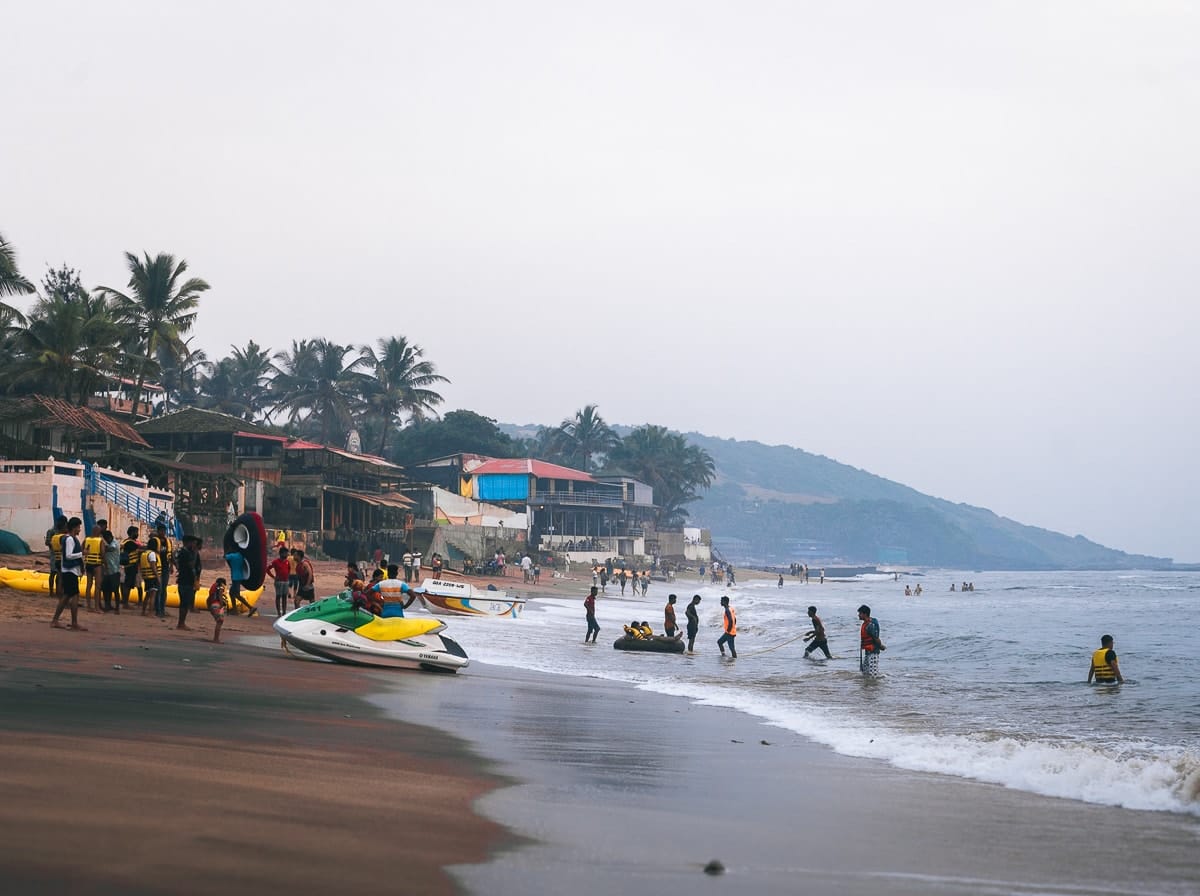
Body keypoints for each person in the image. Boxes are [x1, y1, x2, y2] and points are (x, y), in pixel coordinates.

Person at [50, 517, 86, 631]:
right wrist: (82, 554)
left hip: (71, 570)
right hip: (69, 571)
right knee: (71, 595)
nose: (79, 530)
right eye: (79, 527)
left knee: (69, 596)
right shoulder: (70, 539)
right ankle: (70, 622)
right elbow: (68, 555)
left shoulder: (70, 539)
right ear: (74, 527)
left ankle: (59, 620)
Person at [175, 534, 203, 630]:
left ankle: (181, 623)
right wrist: (195, 553)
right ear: (188, 542)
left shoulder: (187, 552)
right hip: (185, 580)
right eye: (192, 542)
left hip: (186, 580)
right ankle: (181, 623)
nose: (194, 544)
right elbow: (190, 565)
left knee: (185, 603)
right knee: (184, 603)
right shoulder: (185, 553)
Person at [224, 547, 256, 616]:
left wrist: (227, 551)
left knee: (236, 595)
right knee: (231, 593)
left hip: (235, 578)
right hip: (240, 576)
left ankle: (251, 607)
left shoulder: (232, 556)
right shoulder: (241, 556)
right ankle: (234, 610)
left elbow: (224, 557)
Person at [83, 521, 105, 611]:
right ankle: (96, 607)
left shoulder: (86, 539)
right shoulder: (100, 541)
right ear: (99, 532)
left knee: (88, 585)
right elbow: (103, 553)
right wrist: (105, 564)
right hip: (97, 565)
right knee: (98, 586)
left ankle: (88, 606)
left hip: (88, 564)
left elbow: (82, 549)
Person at [857, 604, 884, 676]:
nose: (858, 615)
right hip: (868, 652)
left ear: (865, 614)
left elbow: (876, 638)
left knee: (873, 674)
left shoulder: (871, 625)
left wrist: (881, 646)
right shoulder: (866, 624)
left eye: (860, 613)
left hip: (873, 652)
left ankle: (874, 686)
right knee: (865, 673)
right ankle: (867, 686)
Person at [100, 528, 121, 614]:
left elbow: (106, 548)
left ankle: (117, 608)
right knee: (106, 590)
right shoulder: (110, 543)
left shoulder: (114, 544)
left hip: (114, 570)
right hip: (107, 570)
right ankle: (108, 605)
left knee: (115, 590)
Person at [120, 526, 142, 609]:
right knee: (128, 585)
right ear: (132, 533)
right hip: (130, 566)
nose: (137, 534)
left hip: (129, 566)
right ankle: (125, 604)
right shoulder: (130, 543)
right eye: (136, 532)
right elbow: (140, 549)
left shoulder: (125, 542)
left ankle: (125, 602)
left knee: (127, 585)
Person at [46, 516, 67, 598]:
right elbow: (47, 542)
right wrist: (55, 546)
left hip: (60, 555)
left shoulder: (62, 532)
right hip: (54, 554)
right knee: (53, 573)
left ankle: (58, 591)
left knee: (59, 574)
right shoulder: (51, 531)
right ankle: (51, 591)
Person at [267, 547, 292, 617]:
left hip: (286, 581)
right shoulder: (275, 562)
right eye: (285, 553)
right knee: (278, 596)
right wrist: (273, 577)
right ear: (281, 554)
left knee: (284, 597)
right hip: (279, 582)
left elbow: (289, 569)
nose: (286, 555)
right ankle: (278, 612)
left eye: (287, 553)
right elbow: (268, 569)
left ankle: (284, 612)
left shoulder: (287, 562)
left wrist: (287, 577)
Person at [139, 541, 161, 617]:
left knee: (148, 594)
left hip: (146, 577)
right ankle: (150, 613)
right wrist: (158, 577)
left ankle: (143, 611)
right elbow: (153, 566)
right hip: (152, 577)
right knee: (153, 595)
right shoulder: (152, 554)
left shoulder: (144, 554)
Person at [207, 578, 228, 643]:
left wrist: (209, 606)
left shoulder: (213, 587)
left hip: (212, 605)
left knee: (219, 621)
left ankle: (216, 638)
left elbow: (208, 598)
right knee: (220, 621)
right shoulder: (220, 587)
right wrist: (221, 606)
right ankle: (216, 639)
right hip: (217, 605)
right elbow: (220, 596)